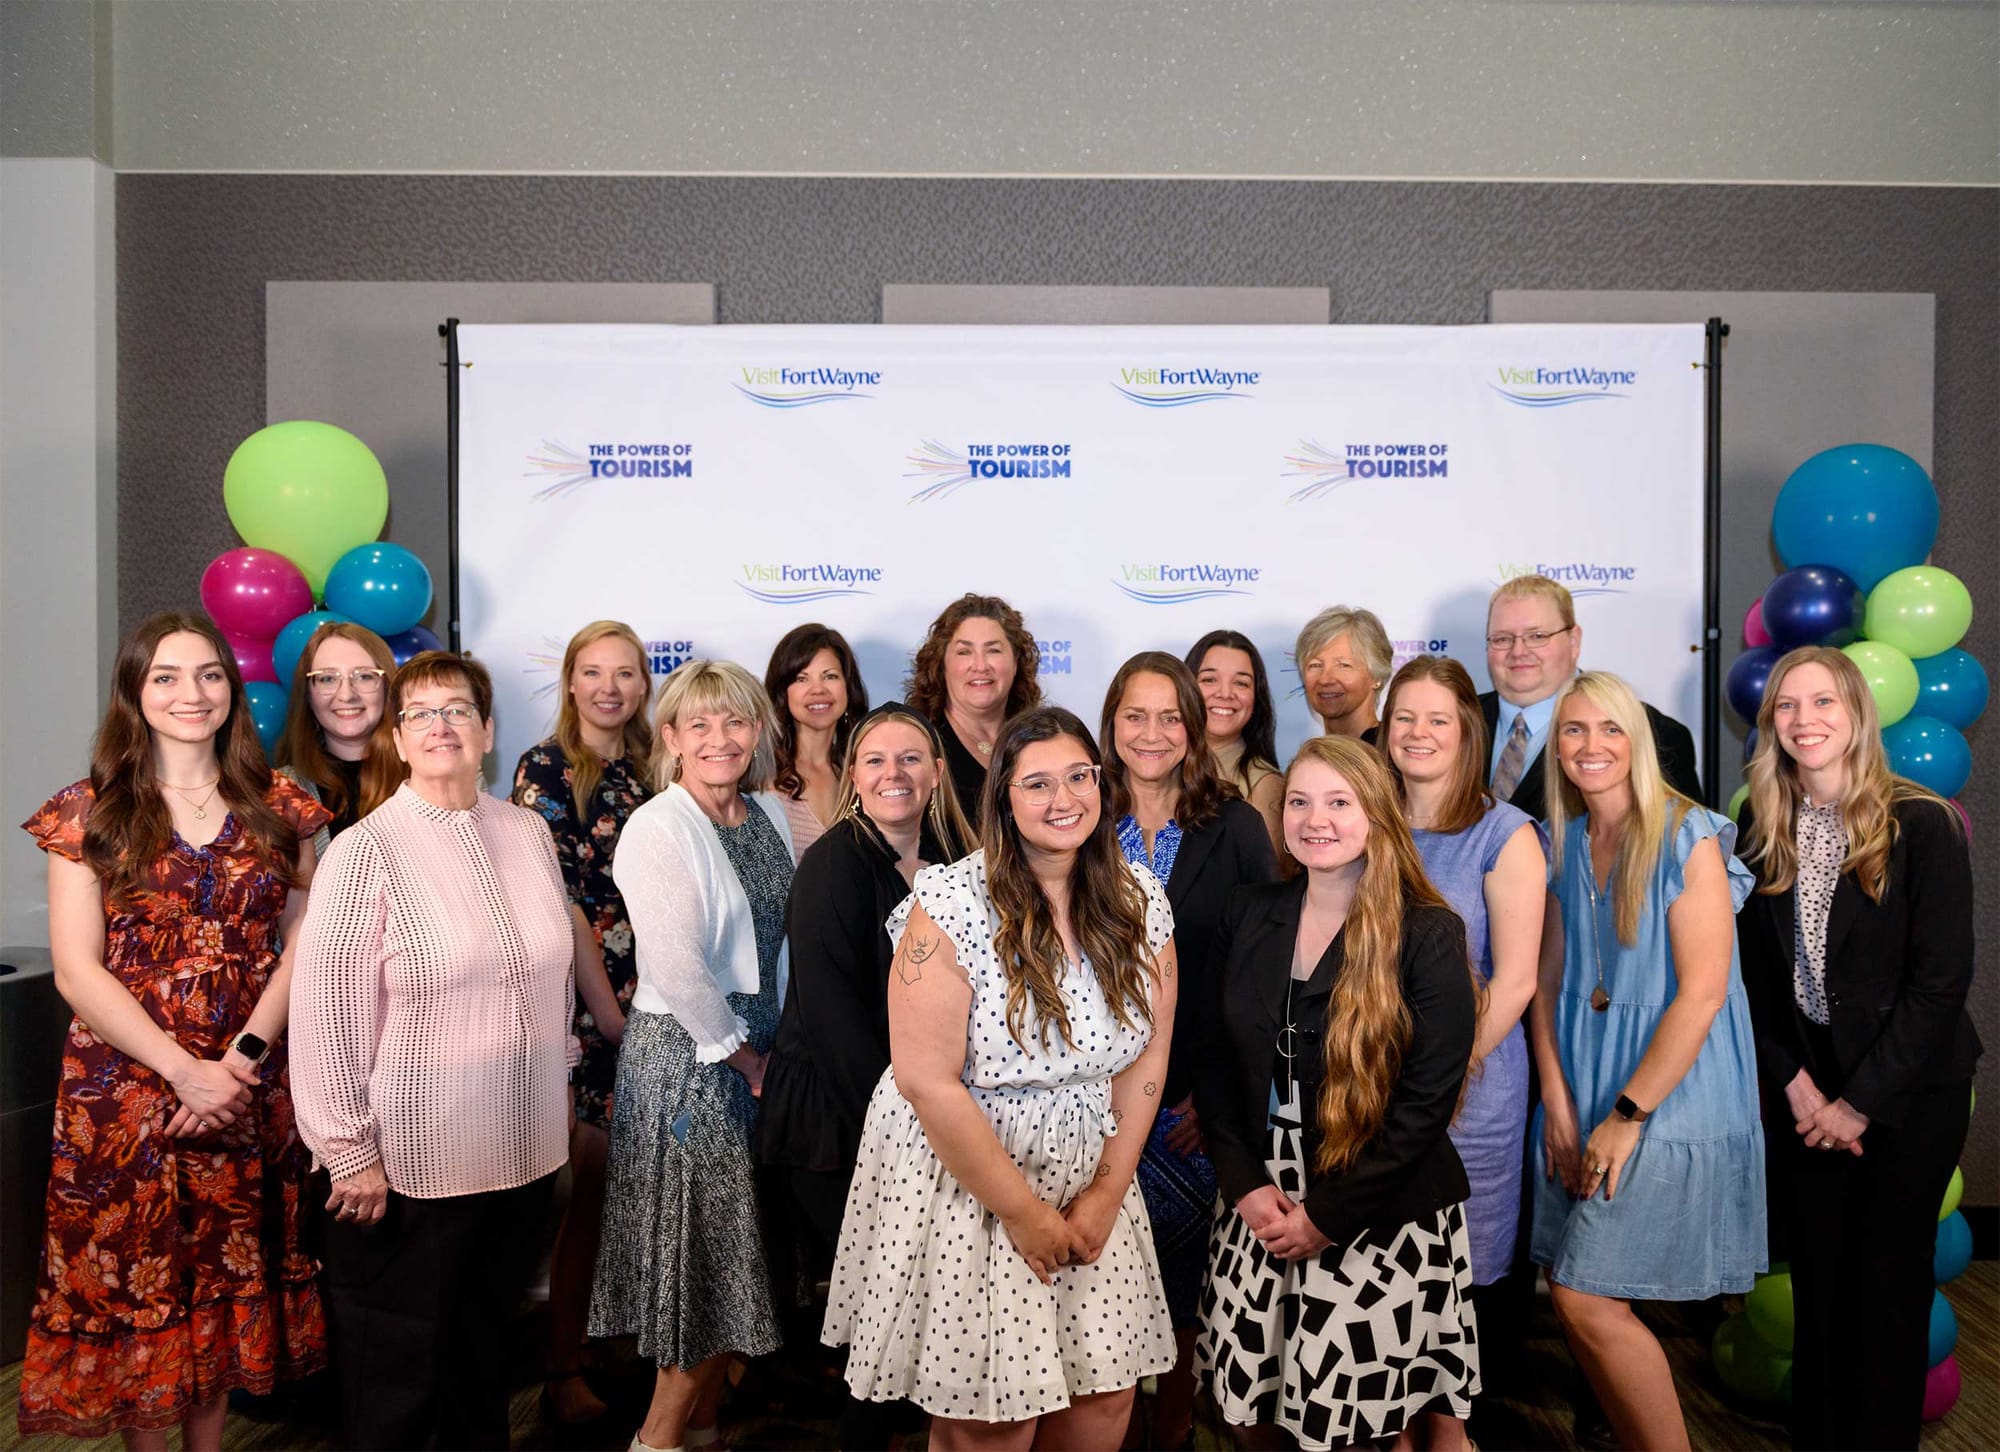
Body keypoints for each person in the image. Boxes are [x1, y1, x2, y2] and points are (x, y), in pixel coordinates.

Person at [825, 706, 1179, 1452]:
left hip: (1095, 1179)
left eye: (1079, 776)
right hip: (975, 1181)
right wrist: (1023, 1214)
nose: (1064, 799)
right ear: (1003, 800)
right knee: (994, 1416)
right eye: (1038, 783)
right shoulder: (950, 902)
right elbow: (926, 1080)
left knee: (1104, 1395)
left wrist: (1106, 1196)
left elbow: (1147, 1056)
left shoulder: (1141, 900)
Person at [18, 611, 329, 1445]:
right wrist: (181, 1070)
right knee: (141, 1296)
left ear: (232, 689)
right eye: (166, 676)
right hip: (124, 1096)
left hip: (247, 1083)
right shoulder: (84, 814)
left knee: (225, 1295)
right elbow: (79, 971)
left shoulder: (285, 806)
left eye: (209, 675)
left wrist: (240, 1060)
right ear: (133, 693)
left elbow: (307, 940)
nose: (191, 694)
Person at [290, 650, 581, 1451]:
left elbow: (551, 978)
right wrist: (347, 1153)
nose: (441, 725)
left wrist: (556, 1083)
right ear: (398, 736)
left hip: (522, 1158)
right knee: (402, 1390)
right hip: (410, 1172)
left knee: (483, 1373)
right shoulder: (365, 849)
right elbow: (325, 1015)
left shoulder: (527, 832)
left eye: (458, 709)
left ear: (488, 731)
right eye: (420, 712)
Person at [1197, 735, 1482, 1450]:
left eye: (1338, 801)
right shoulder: (1249, 910)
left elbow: (1425, 1105)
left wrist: (1328, 1215)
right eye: (1299, 800)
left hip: (1376, 1211)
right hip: (1260, 1205)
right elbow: (1214, 1062)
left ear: (1377, 814)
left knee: (1352, 1429)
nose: (1314, 818)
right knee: (1248, 1414)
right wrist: (1243, 1186)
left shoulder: (1428, 932)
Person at [1737, 646, 1980, 1451]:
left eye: (1823, 703)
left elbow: (1938, 989)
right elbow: (1758, 985)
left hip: (1907, 1096)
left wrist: (1857, 1103)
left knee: (1887, 1293)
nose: (1805, 721)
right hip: (1807, 1094)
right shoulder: (1760, 824)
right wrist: (1801, 1089)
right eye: (1787, 706)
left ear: (1857, 715)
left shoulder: (1923, 825)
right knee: (1821, 1286)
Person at [1529, 671, 1764, 1452]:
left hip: (1668, 1092)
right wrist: (1559, 1108)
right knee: (1579, 1301)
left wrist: (1626, 1119)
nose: (1590, 746)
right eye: (1572, 731)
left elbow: (1699, 996)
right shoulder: (1560, 839)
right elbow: (1547, 984)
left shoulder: (1685, 835)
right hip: (1584, 1085)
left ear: (1637, 741)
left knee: (1584, 1297)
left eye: (1609, 729)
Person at [592, 659, 797, 1452]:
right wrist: (748, 1063)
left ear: (757, 731)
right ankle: (657, 1438)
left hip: (761, 1053)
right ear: (670, 738)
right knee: (705, 1270)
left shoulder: (773, 815)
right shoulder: (658, 826)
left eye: (735, 721)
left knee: (736, 1260)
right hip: (692, 1063)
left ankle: (700, 1429)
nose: (721, 738)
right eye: (699, 725)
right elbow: (675, 966)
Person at [757, 703, 974, 1449]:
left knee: (911, 1323)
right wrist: (920, 1126)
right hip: (839, 1122)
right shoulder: (834, 864)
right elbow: (833, 1023)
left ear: (939, 772)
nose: (894, 774)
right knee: (888, 1321)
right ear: (853, 775)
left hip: (922, 1113)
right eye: (876, 760)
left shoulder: (955, 854)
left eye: (911, 758)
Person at [1098, 652, 1277, 1449]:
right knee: (1091, 1281)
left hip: (1188, 1107)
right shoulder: (1080, 815)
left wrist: (1218, 1095)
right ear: (1110, 725)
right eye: (1134, 716)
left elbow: (1258, 973)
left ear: (1194, 728)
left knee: (1178, 1290)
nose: (1152, 733)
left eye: (1170, 716)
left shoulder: (1233, 824)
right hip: (1089, 1103)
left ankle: (1169, 1431)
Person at [1380, 655, 1546, 1422]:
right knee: (1383, 1283)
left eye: (1436, 720)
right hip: (1367, 1087)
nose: (1417, 733)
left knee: (1461, 1282)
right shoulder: (1362, 818)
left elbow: (1514, 981)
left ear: (1466, 733)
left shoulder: (1502, 833)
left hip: (1467, 1093)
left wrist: (1437, 1084)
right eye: (1403, 717)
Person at [510, 619, 656, 1426]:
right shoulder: (545, 769)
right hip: (588, 1000)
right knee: (589, 1188)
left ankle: (610, 1344)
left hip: (660, 999)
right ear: (570, 682)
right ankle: (562, 1368)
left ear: (642, 684)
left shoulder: (655, 766)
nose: (609, 687)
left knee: (638, 1191)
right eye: (593, 672)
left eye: (625, 673)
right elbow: (558, 901)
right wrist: (605, 1011)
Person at [1480, 573, 1702, 820]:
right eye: (1502, 639)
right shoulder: (1451, 723)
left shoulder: (1655, 734)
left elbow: (1682, 845)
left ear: (1574, 641)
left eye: (1537, 636)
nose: (1518, 651)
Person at [905, 593, 1042, 828]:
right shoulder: (918, 744)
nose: (980, 666)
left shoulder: (1038, 740)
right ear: (941, 664)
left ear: (1016, 662)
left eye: (993, 651)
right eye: (964, 652)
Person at [275, 619, 403, 854]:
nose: (346, 695)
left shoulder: (428, 775)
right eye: (327, 679)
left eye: (364, 676)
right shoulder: (280, 790)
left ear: (387, 687)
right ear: (308, 695)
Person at [763, 622, 870, 860]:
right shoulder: (761, 776)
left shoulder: (865, 774)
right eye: (802, 679)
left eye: (830, 676)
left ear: (847, 687)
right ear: (783, 692)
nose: (817, 689)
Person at [1186, 628, 1285, 857]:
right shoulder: (1158, 766)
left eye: (1241, 683)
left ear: (1256, 697)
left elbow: (1266, 881)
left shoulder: (1264, 785)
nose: (1225, 693)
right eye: (1209, 679)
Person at [1295, 605, 1393, 744]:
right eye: (1315, 665)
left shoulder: (1394, 753)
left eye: (1343, 665)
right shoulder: (1311, 756)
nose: (1325, 679)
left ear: (1377, 676)